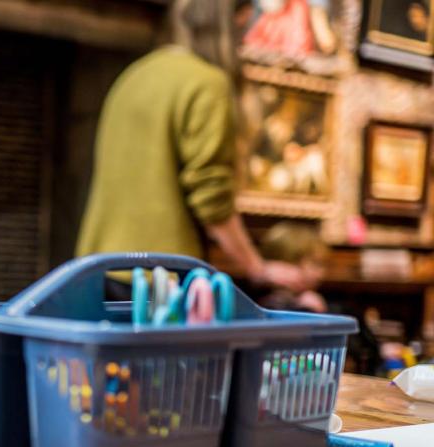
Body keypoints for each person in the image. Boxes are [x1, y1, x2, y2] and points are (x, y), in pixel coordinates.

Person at [76, 0, 307, 295]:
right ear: (234, 22)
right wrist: (258, 267)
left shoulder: (135, 73)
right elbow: (212, 199)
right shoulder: (207, 83)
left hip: (98, 268)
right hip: (160, 278)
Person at [257, 221, 328, 312]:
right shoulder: (269, 302)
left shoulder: (305, 297)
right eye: (316, 264)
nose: (322, 273)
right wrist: (308, 310)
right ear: (289, 263)